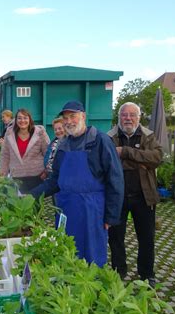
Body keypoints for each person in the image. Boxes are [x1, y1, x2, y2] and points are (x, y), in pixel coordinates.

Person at [31, 101, 124, 266]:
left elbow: (115, 180)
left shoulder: (100, 141)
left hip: (92, 209)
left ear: (83, 116)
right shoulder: (63, 145)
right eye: (65, 118)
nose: (68, 121)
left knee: (92, 254)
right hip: (65, 208)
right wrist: (31, 194)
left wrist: (111, 215)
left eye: (72, 116)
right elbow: (55, 180)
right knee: (67, 252)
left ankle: (92, 287)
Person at [107, 102, 163, 288]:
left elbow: (156, 159)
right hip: (117, 196)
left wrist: (126, 152)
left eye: (132, 115)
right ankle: (118, 271)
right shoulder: (109, 137)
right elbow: (107, 163)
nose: (128, 118)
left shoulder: (148, 135)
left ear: (139, 117)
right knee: (116, 238)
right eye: (124, 115)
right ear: (119, 117)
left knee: (146, 239)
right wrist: (140, 161)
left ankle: (147, 274)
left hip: (143, 196)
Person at [0, 108, 49, 194]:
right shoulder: (9, 133)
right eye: (19, 118)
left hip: (37, 176)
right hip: (17, 177)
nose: (22, 120)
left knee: (35, 205)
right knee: (19, 205)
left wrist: (46, 171)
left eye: (25, 118)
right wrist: (2, 173)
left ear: (30, 119)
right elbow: (5, 155)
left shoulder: (40, 132)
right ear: (16, 119)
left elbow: (48, 153)